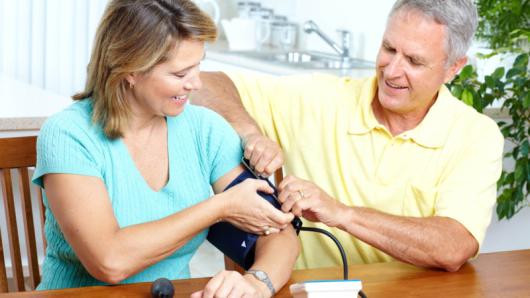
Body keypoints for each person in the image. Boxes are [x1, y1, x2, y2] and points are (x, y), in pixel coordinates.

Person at [192, 0, 504, 272]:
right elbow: (204, 83)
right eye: (389, 49)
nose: (392, 71)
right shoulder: (321, 99)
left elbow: (453, 247)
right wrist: (250, 132)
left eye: (414, 61)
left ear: (453, 69)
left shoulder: (476, 136)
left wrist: (342, 214)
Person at [32, 0, 299, 296]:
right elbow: (109, 261)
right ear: (130, 70)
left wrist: (256, 283)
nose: (195, 84)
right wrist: (219, 207)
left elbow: (279, 233)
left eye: (198, 66)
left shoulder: (204, 129)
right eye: (179, 74)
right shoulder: (69, 135)